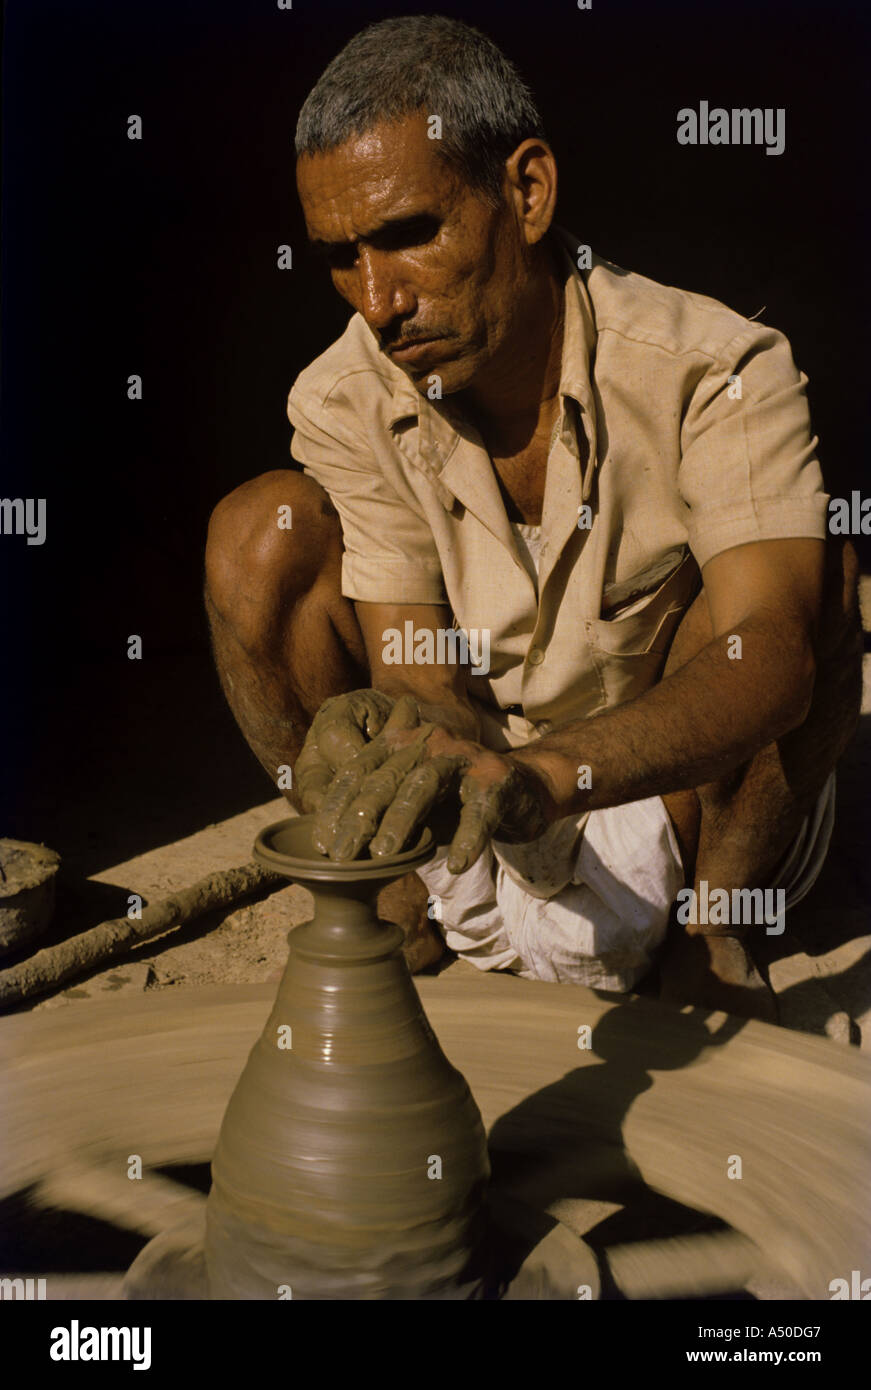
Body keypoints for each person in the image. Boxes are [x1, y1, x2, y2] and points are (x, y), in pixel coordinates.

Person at [204, 15, 862, 1020]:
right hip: (484, 794)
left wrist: (549, 775)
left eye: (408, 235)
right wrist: (398, 735)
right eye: (340, 256)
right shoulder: (346, 393)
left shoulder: (712, 369)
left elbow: (772, 658)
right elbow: (419, 671)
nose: (377, 299)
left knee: (818, 586)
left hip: (674, 804)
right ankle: (389, 909)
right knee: (260, 536)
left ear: (527, 190)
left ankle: (716, 929)